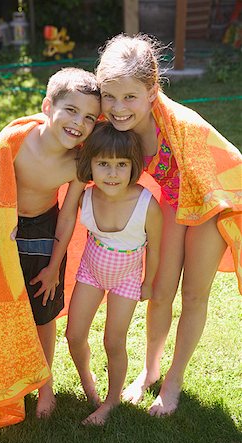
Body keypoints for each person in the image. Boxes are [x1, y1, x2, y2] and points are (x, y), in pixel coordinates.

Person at [95, 33, 242, 417]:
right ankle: (150, 370)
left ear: (152, 89)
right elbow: (67, 122)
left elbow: (228, 162)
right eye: (110, 96)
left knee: (193, 294)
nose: (118, 108)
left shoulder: (181, 125)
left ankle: (173, 382)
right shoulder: (105, 117)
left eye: (130, 98)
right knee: (160, 290)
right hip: (174, 200)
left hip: (208, 200)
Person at [11, 67, 100, 418]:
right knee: (8, 304)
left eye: (90, 117)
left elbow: (67, 215)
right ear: (48, 107)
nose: (79, 123)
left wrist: (53, 266)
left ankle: (45, 385)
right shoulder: (16, 142)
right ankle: (12, 376)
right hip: (7, 229)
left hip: (46, 232)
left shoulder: (76, 163)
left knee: (44, 313)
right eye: (72, 111)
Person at [66, 121, 162, 425]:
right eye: (103, 163)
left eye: (122, 164)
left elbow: (156, 249)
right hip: (91, 272)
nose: (112, 173)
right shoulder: (87, 196)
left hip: (127, 278)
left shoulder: (147, 205)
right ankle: (87, 381)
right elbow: (67, 212)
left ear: (133, 166)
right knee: (74, 334)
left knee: (113, 341)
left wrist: (148, 282)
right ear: (90, 164)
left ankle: (111, 401)